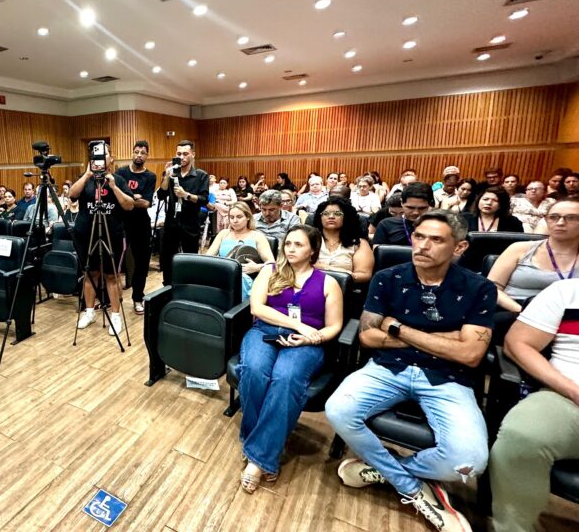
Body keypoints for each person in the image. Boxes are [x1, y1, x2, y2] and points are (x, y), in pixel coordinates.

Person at [325, 210, 495, 532]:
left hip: (448, 378)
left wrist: (398, 329)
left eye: (436, 239)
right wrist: (446, 338)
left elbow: (470, 353)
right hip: (389, 369)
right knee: (338, 410)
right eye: (419, 237)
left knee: (469, 462)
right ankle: (411, 486)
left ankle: (383, 469)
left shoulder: (479, 288)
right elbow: (368, 336)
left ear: (459, 248)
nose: (423, 245)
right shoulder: (388, 278)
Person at [239, 225, 344, 492]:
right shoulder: (270, 271)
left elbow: (334, 325)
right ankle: (261, 445)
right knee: (253, 370)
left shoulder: (328, 282)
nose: (291, 249)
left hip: (306, 342)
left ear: (312, 250)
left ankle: (259, 457)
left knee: (285, 379)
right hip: (265, 332)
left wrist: (313, 337)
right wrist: (296, 325)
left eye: (298, 244)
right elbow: (257, 307)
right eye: (288, 243)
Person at [489, 278, 579, 532]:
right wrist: (571, 389)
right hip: (566, 399)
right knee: (522, 435)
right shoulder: (568, 291)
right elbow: (518, 343)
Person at [70, 145, 135, 336]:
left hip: (111, 234)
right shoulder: (86, 178)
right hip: (86, 234)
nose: (98, 158)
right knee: (90, 274)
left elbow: (129, 205)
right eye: (95, 155)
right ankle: (89, 312)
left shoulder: (119, 180)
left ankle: (115, 315)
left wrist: (113, 186)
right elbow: (72, 195)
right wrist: (87, 175)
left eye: (103, 155)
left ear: (111, 159)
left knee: (111, 276)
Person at [488, 198, 579, 314]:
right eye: (553, 217)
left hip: (569, 317)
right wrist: (525, 312)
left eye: (571, 218)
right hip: (515, 312)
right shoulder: (519, 249)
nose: (560, 223)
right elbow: (492, 288)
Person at [157, 140, 210, 285]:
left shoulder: (201, 175)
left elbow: (204, 200)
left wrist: (186, 195)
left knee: (190, 258)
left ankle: (190, 285)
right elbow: (161, 195)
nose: (182, 157)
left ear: (193, 154)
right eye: (179, 154)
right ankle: (167, 286)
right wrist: (167, 176)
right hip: (171, 223)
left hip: (190, 222)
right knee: (168, 259)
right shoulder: (172, 173)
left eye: (185, 154)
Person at [115, 140, 157, 314]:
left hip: (141, 224)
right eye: (136, 151)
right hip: (121, 222)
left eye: (143, 152)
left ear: (147, 156)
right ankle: (111, 297)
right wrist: (134, 197)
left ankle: (138, 298)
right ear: (132, 153)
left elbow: (146, 203)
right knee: (115, 261)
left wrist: (128, 198)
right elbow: (117, 198)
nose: (139, 155)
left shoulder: (150, 176)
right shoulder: (121, 172)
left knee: (141, 264)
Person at [205, 201, 275, 299]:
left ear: (248, 217)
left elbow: (271, 263)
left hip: (246, 278)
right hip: (222, 274)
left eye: (239, 217)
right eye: (231, 217)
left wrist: (257, 267)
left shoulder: (257, 236)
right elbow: (207, 258)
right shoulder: (223, 234)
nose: (235, 221)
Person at [312, 197, 374, 283]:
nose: (331, 217)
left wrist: (330, 271)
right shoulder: (310, 239)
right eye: (326, 213)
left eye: (337, 213)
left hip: (343, 290)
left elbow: (364, 275)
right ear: (320, 217)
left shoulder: (359, 243)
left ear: (346, 217)